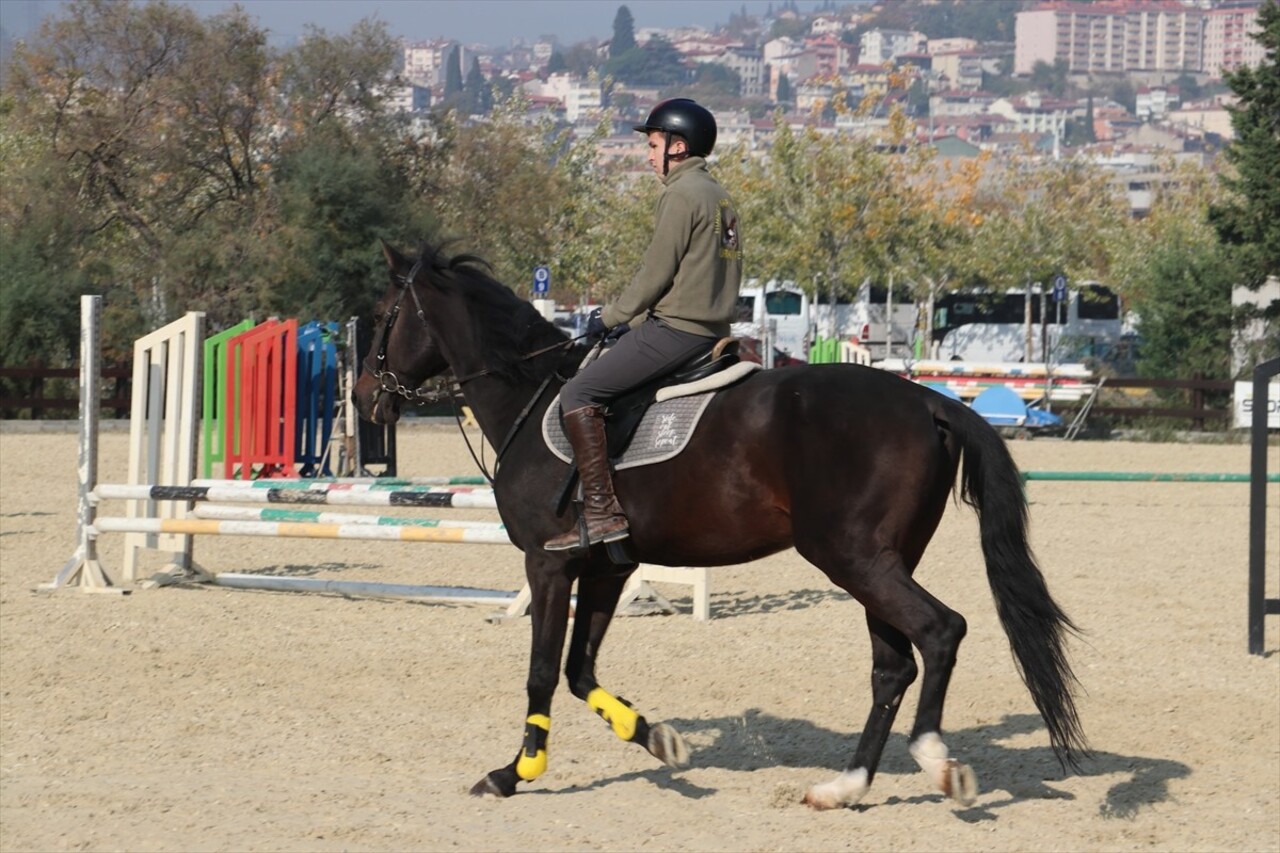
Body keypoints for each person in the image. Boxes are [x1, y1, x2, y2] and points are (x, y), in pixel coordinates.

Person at [545, 98, 744, 552]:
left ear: (678, 146)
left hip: (676, 330)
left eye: (654, 145)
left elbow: (655, 273)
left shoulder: (680, 194)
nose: (648, 154)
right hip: (713, 331)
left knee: (578, 392)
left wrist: (610, 317)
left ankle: (600, 512)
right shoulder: (719, 195)